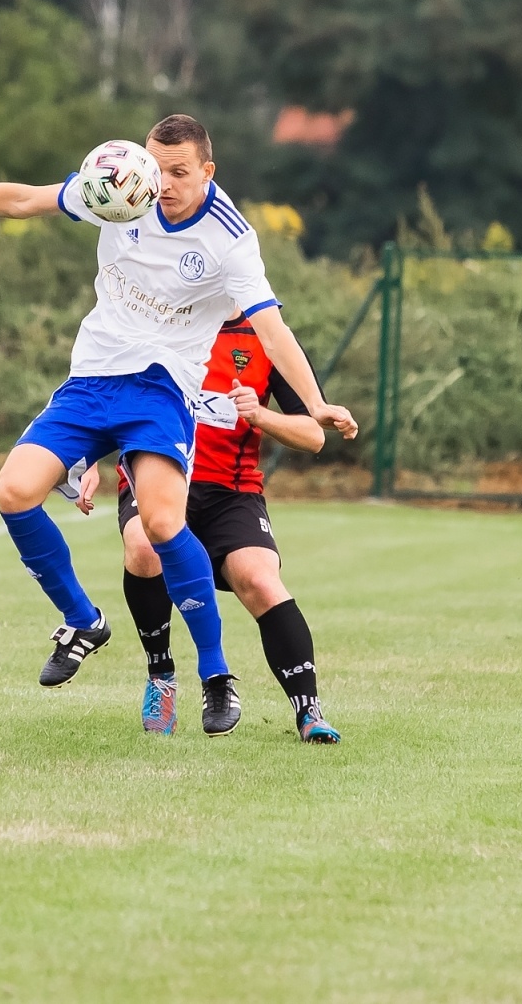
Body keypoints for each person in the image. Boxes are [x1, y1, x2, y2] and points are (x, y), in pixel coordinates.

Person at [0, 115, 357, 736]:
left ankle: (215, 675)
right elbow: (23, 199)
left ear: (208, 172)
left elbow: (272, 327)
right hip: (93, 380)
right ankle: (84, 620)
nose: (163, 185)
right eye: (159, 169)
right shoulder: (122, 189)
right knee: (13, 491)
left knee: (159, 526)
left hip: (160, 389)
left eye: (180, 173)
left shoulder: (228, 237)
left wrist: (315, 403)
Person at [73, 313, 343, 742]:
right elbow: (107, 397)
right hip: (158, 471)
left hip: (230, 493)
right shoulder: (157, 320)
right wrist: (85, 459)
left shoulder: (268, 339)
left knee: (259, 578)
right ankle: (161, 676)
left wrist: (260, 416)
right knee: (144, 546)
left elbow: (314, 435)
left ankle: (309, 711)